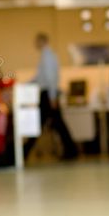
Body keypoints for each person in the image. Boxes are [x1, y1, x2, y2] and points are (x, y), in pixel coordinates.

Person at [24, 33, 78, 161]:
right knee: (58, 124)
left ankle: (24, 152)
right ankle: (71, 150)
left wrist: (52, 97)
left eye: (36, 41)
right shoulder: (46, 56)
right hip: (48, 94)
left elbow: (50, 78)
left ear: (41, 41)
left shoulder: (47, 56)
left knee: (40, 124)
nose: (35, 44)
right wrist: (26, 84)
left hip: (48, 95)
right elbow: (40, 77)